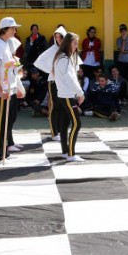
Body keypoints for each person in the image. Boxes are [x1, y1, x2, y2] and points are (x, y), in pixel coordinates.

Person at [0, 18, 22, 163]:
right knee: (0, 123)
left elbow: (13, 63)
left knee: (7, 120)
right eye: (12, 28)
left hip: (10, 87)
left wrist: (17, 85)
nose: (15, 31)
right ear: (5, 29)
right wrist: (1, 90)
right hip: (3, 90)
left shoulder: (7, 44)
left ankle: (4, 150)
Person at [53, 33, 85, 161]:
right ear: (68, 44)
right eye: (75, 43)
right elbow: (70, 79)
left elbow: (71, 78)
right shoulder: (64, 59)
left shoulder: (63, 58)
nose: (77, 46)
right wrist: (80, 93)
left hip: (64, 94)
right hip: (66, 95)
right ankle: (71, 154)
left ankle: (65, 152)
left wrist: (77, 92)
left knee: (65, 124)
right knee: (76, 124)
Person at [34, 26, 69, 141]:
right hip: (54, 81)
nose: (58, 39)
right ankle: (54, 132)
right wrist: (51, 70)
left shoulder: (68, 49)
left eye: (60, 37)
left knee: (64, 106)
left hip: (65, 82)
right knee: (55, 106)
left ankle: (61, 130)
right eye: (56, 37)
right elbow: (38, 62)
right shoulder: (52, 49)